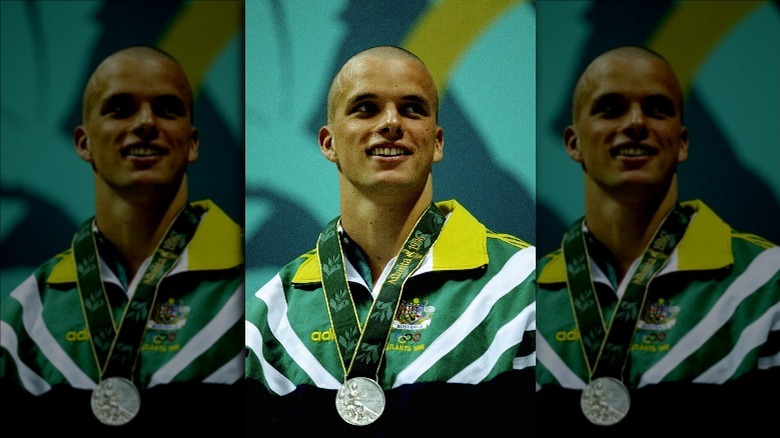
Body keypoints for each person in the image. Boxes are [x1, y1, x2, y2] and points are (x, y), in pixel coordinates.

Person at [244, 45, 536, 436]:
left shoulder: (521, 287)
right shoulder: (273, 312)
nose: (391, 123)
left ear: (437, 142)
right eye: (365, 107)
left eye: (412, 109)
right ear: (328, 142)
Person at [535, 45, 780, 434]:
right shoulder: (526, 297)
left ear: (681, 142)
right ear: (573, 142)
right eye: (610, 108)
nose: (636, 123)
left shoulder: (767, 283)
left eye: (657, 109)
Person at [0, 46, 244, 433]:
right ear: (83, 143)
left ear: (193, 142)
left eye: (167, 109)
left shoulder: (251, 289)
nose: (146, 123)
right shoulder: (28, 313)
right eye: (120, 108)